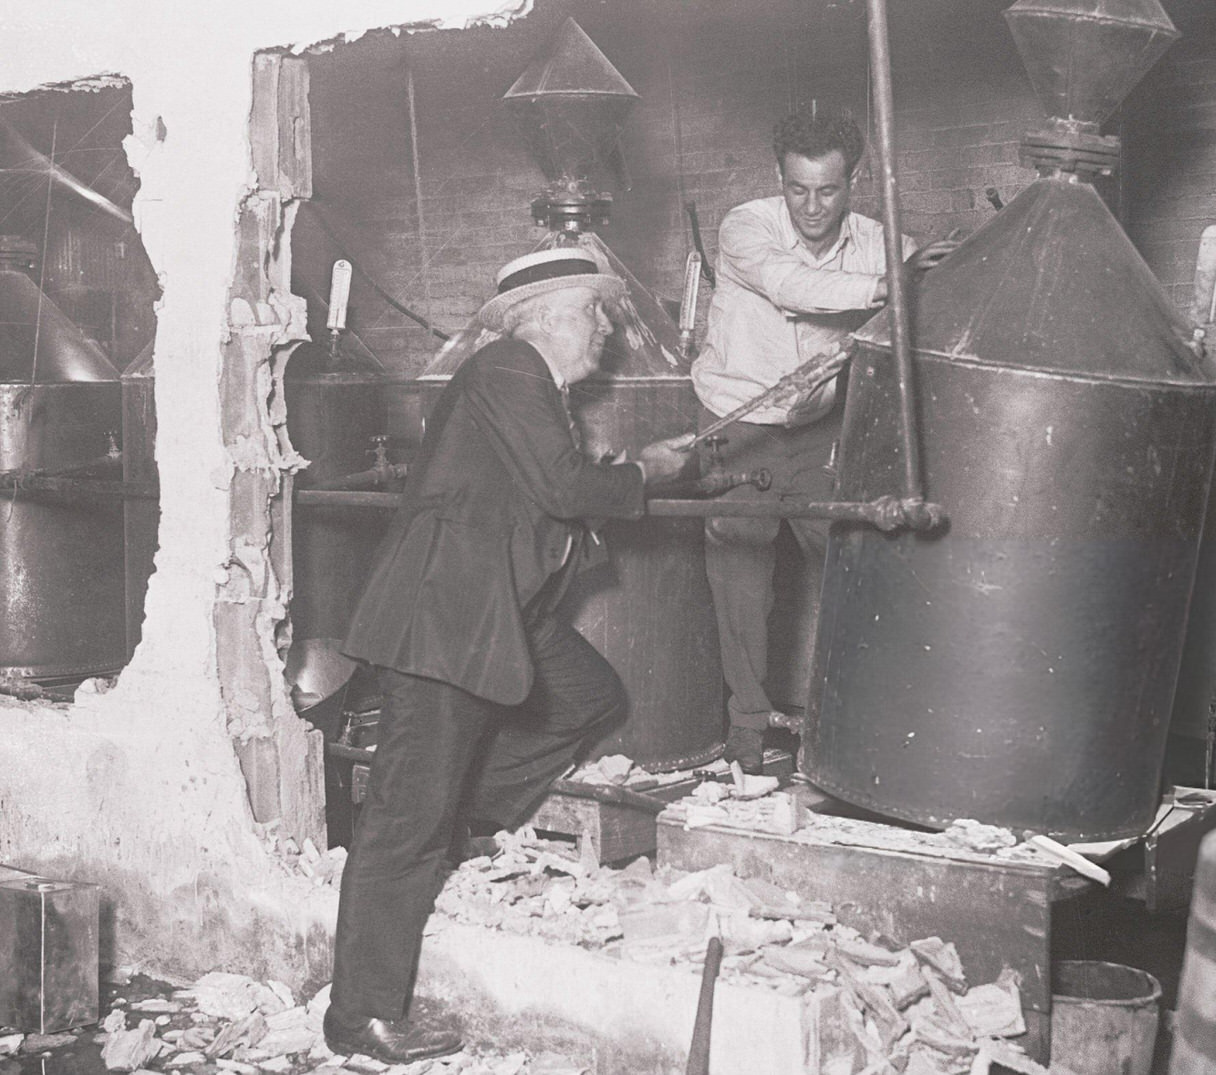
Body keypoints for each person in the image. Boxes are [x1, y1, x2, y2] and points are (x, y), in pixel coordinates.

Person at [322, 248, 693, 1064]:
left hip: (492, 616)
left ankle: (465, 817)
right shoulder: (507, 365)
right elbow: (563, 490)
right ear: (549, 314)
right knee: (401, 823)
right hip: (443, 617)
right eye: (593, 311)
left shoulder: (533, 390)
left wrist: (619, 474)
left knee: (588, 693)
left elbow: (543, 493)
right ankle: (362, 1017)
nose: (604, 329)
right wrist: (643, 472)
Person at [690, 110, 957, 774]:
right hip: (735, 425)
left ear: (855, 180)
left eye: (828, 190)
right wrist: (892, 282)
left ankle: (855, 721)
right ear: (778, 179)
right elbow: (790, 286)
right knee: (742, 581)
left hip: (817, 432)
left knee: (852, 564)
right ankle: (747, 738)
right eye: (797, 188)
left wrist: (935, 275)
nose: (811, 206)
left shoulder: (885, 244)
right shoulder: (746, 227)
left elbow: (938, 307)